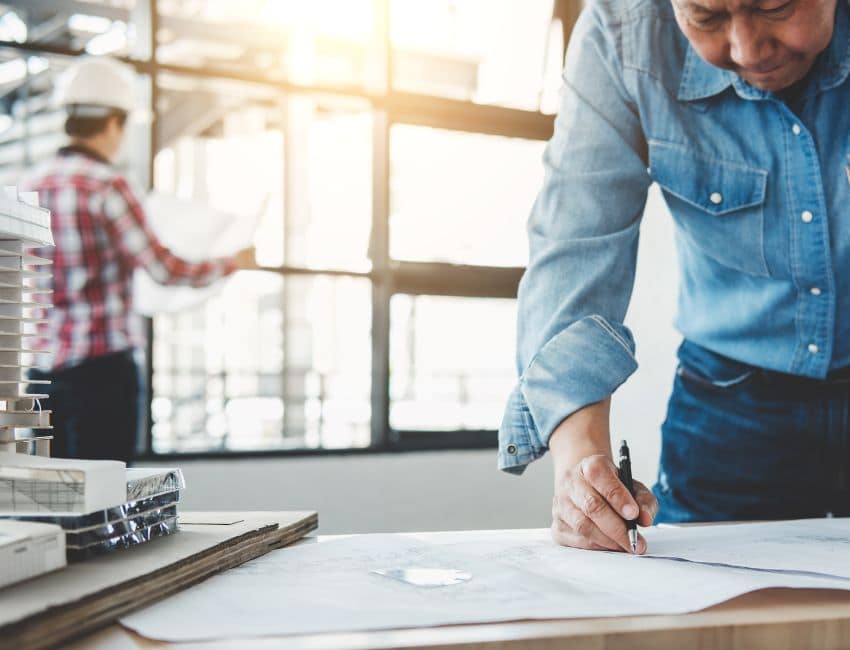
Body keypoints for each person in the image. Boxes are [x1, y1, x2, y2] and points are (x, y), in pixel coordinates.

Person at [500, 0, 850, 554]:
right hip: (730, 404)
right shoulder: (621, 33)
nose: (745, 49)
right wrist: (581, 467)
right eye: (707, 18)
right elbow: (574, 245)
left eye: (775, 6)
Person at [22, 57, 254, 463]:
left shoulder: (27, 188)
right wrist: (229, 263)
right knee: (106, 496)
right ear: (114, 122)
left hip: (41, 376)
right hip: (100, 373)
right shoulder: (105, 186)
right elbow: (164, 269)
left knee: (52, 498)